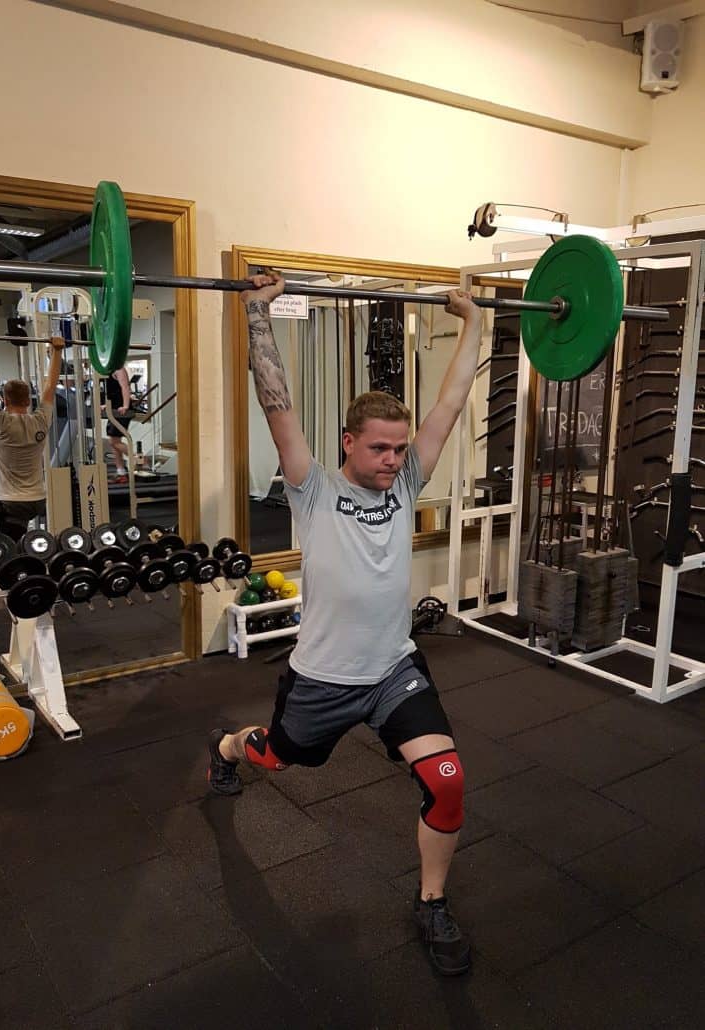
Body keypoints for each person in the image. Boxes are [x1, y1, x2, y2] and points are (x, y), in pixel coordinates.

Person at [207, 271, 483, 976]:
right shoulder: (313, 488)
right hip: (322, 679)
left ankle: (431, 902)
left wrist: (473, 321)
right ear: (348, 442)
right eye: (379, 449)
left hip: (392, 668)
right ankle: (230, 747)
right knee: (279, 758)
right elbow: (275, 402)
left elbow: (450, 405)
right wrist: (258, 313)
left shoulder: (408, 482)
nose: (393, 460)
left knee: (447, 780)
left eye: (400, 449)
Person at [0, 332, 65, 541]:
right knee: (25, 543)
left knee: (11, 548)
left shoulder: (0, 421)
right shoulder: (41, 419)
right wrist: (57, 351)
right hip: (37, 500)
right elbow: (50, 385)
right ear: (28, 401)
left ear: (5, 400)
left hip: (10, 503)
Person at [102, 366, 132, 483]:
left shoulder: (119, 369)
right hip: (114, 409)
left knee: (113, 442)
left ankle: (139, 459)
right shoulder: (108, 370)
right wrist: (107, 405)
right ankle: (121, 473)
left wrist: (125, 406)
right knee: (114, 441)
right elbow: (114, 393)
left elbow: (125, 387)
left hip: (122, 411)